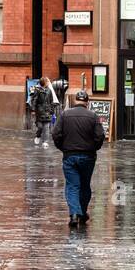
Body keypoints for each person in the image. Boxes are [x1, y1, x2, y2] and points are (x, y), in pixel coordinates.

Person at [52, 90, 105, 229]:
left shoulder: (65, 114)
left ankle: (75, 214)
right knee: (85, 185)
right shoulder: (93, 116)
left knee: (72, 186)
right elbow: (100, 136)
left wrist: (63, 148)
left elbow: (55, 133)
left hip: (69, 156)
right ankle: (81, 213)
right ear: (87, 102)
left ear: (76, 100)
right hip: (88, 156)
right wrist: (94, 148)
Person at [29, 77, 55, 147]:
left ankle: (45, 141)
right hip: (39, 112)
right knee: (40, 127)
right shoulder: (37, 90)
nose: (48, 83)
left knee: (46, 127)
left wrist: (52, 110)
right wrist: (33, 110)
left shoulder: (49, 90)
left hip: (47, 111)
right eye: (47, 82)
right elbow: (34, 100)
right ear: (44, 83)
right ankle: (38, 135)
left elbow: (51, 101)